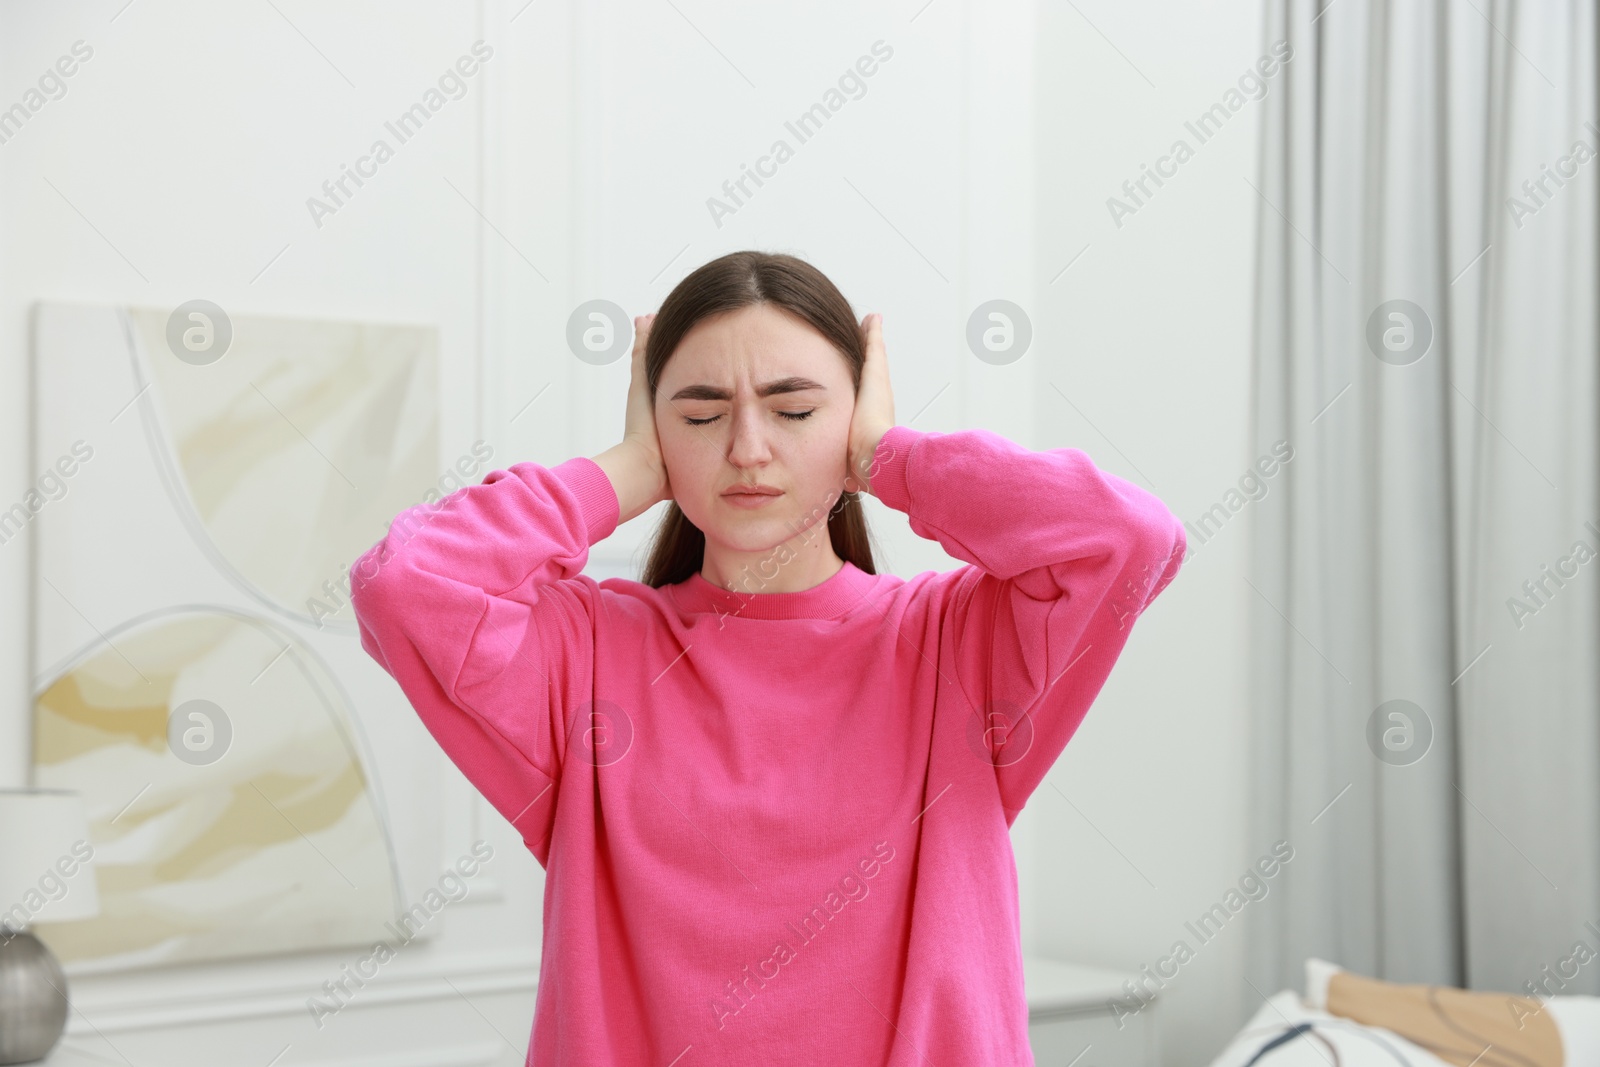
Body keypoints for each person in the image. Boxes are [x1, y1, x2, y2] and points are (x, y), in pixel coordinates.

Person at [349, 250, 1187, 1064]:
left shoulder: (956, 644)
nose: (748, 448)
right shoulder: (588, 654)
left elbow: (1128, 538)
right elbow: (405, 583)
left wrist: (888, 459)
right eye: (702, 414)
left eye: (795, 411)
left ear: (852, 417)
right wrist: (629, 472)